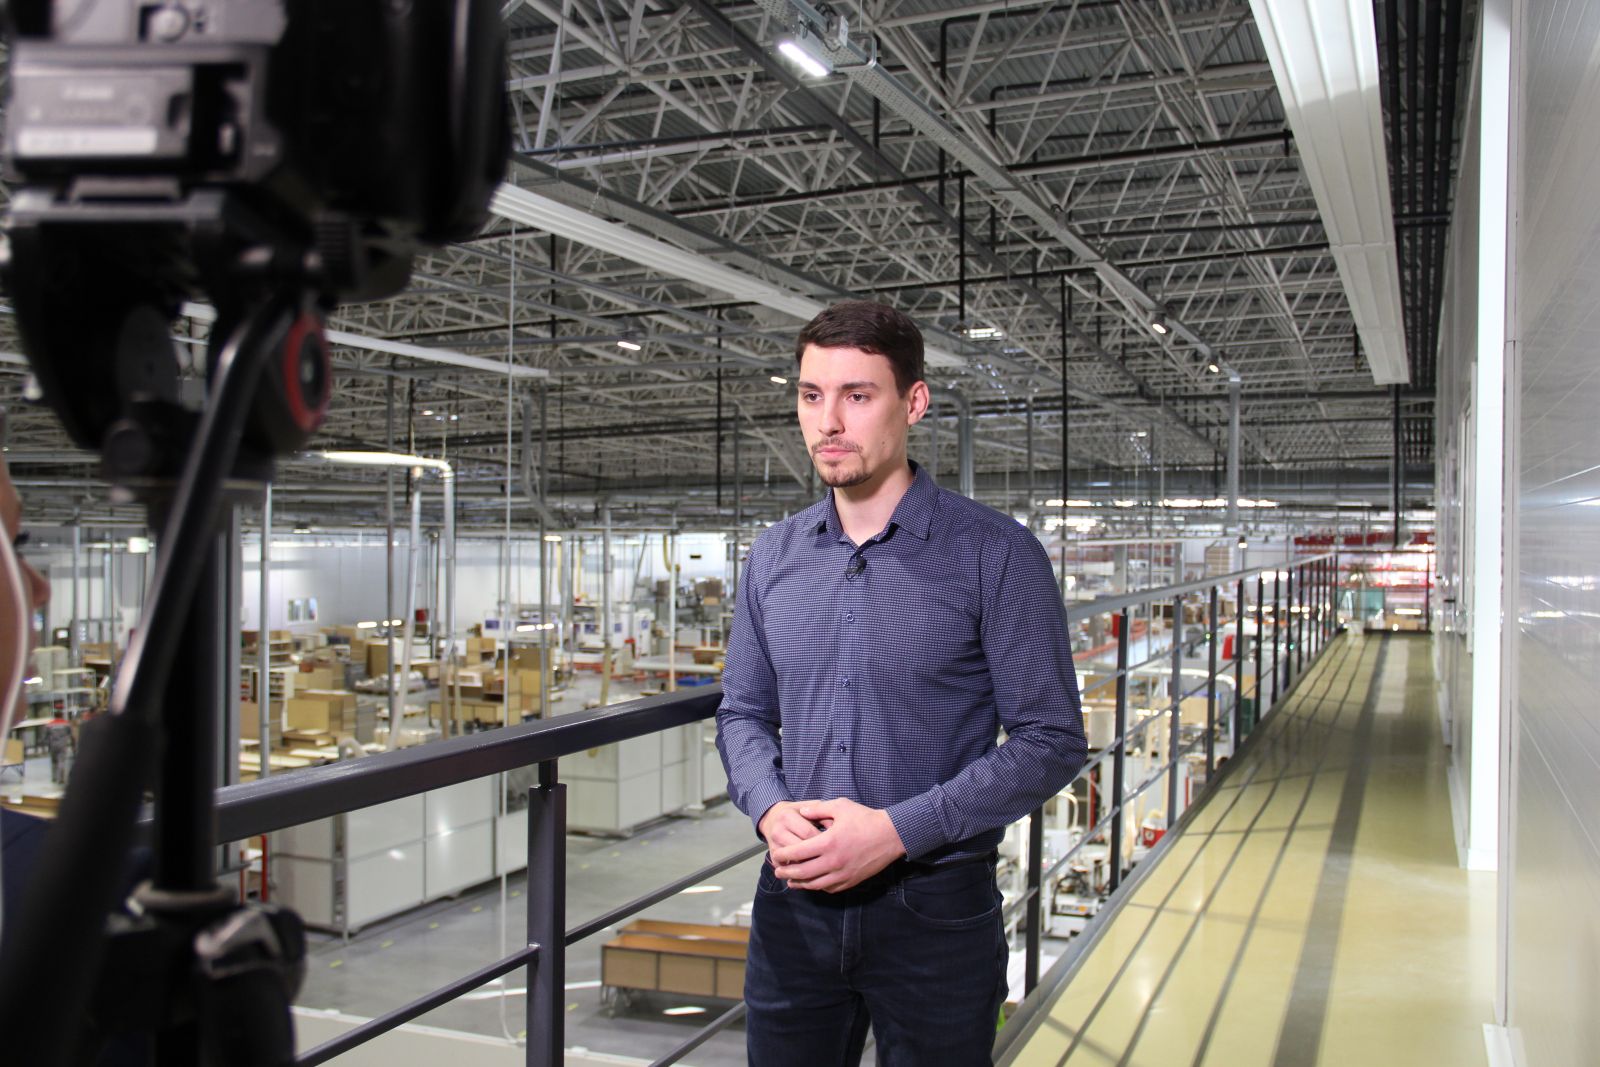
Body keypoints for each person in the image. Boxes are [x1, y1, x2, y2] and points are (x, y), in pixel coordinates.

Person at [716, 301, 1087, 1065]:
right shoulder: (773, 557)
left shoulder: (994, 554)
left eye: (857, 395)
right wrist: (770, 807)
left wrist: (895, 831)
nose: (828, 421)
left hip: (935, 908)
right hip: (794, 901)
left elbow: (1051, 739)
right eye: (811, 395)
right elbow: (742, 713)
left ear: (913, 402)